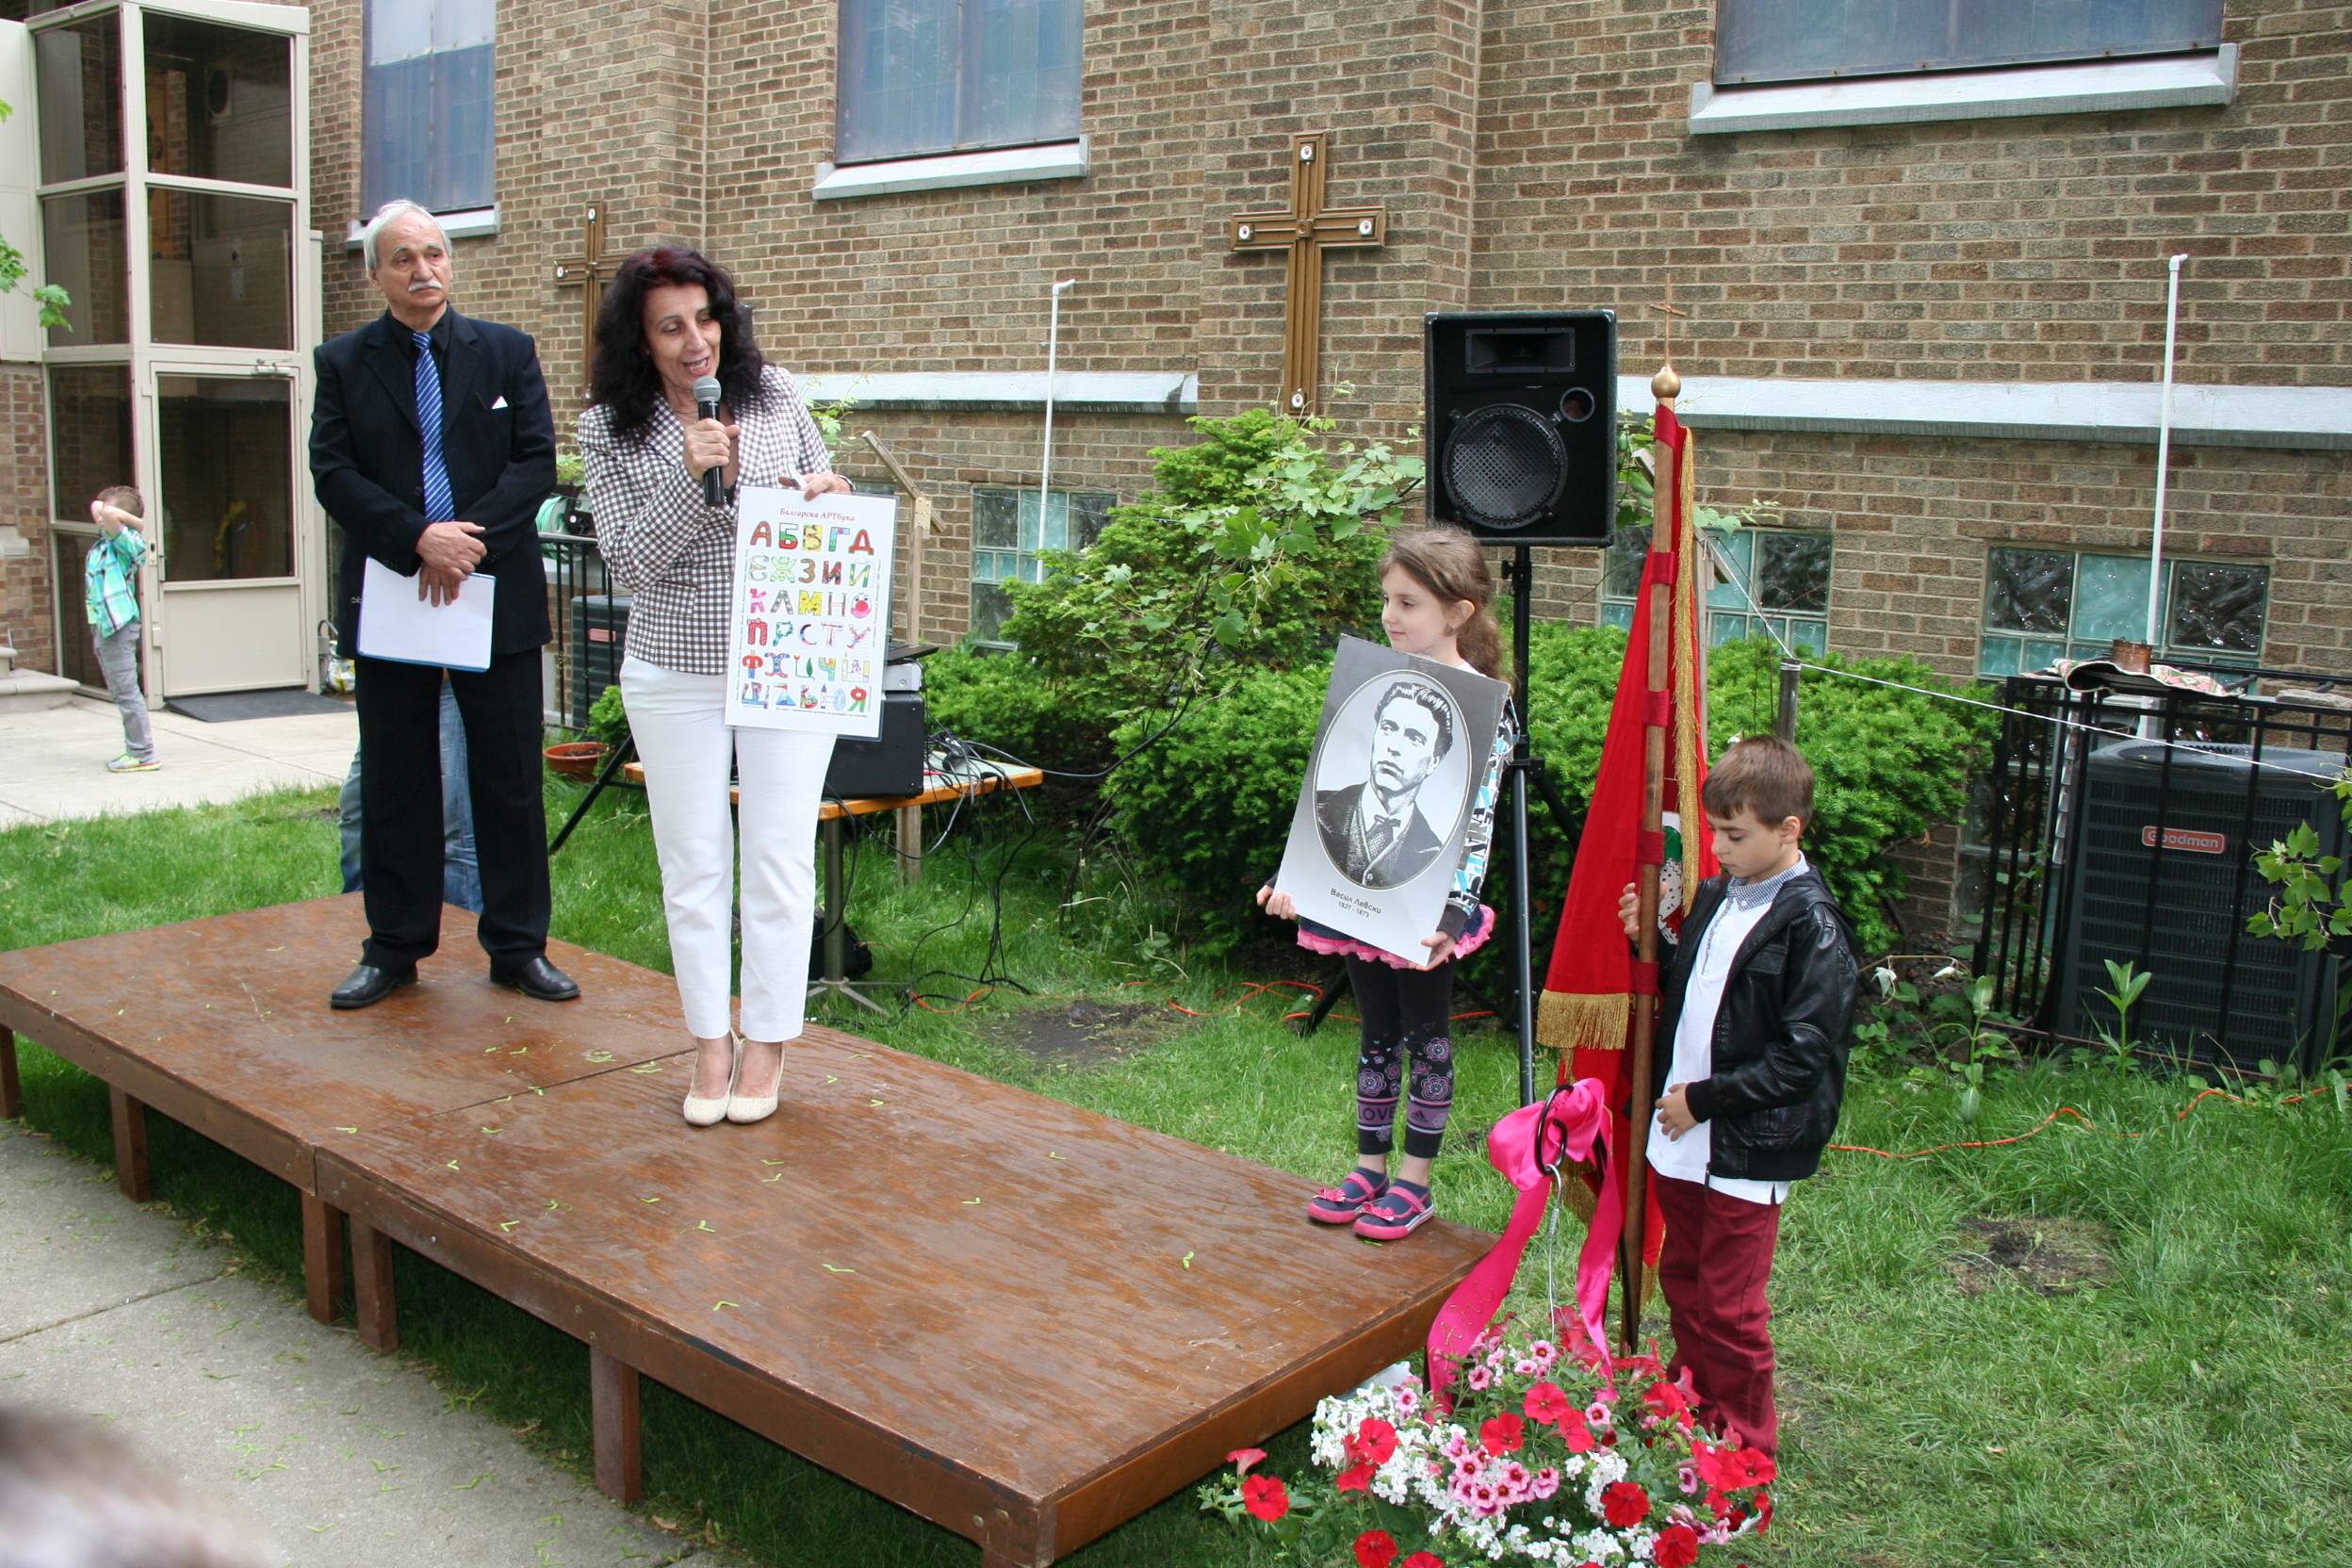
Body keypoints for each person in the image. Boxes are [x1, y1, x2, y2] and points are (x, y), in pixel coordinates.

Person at [580, 247, 847, 1128]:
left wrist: (825, 491)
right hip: (673, 665)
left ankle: (767, 1041)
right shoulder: (608, 429)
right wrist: (690, 476)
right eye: (671, 327)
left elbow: (829, 487)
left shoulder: (774, 395)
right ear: (641, 342)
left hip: (786, 657)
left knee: (778, 856)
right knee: (693, 864)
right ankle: (709, 1042)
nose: (696, 341)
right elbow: (629, 562)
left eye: (705, 318)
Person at [309, 199, 577, 1011]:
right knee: (397, 780)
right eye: (403, 258)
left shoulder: (507, 352)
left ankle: (519, 948)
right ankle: (394, 948)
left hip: (493, 595)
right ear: (375, 275)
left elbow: (535, 461)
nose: (423, 270)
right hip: (396, 594)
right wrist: (417, 538)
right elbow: (333, 472)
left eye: (434, 254)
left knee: (508, 780)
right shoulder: (343, 363)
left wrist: (465, 543)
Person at [1259, 526, 1517, 1240]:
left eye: (1408, 603)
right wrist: (1292, 877)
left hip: (1427, 911)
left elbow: (1479, 820)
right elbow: (1325, 798)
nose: (1390, 615)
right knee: (1376, 1033)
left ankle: (1415, 1182)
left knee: (1426, 1038)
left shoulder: (1485, 705)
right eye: (1386, 600)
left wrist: (1457, 913)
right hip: (1359, 902)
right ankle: (1369, 1168)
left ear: (1458, 613)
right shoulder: (1376, 681)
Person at [1616, 734, 1859, 1459]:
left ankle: (1745, 1453)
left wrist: (1705, 1099)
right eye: (1716, 831)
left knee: (1730, 1306)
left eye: (1734, 834)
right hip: (1685, 1135)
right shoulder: (1719, 896)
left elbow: (1803, 1059)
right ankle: (1691, 1410)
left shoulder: (1814, 926)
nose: (1718, 848)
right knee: (1685, 1282)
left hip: (1746, 1146)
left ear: (1790, 830)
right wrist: (1648, 943)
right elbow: (1692, 996)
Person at [335, 674, 482, 913]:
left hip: (446, 681)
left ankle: (460, 927)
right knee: (357, 810)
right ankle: (359, 914)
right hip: (391, 680)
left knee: (453, 827)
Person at [1314, 678, 1453, 889]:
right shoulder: (1317, 806)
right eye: (1388, 728)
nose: (1394, 747)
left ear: (1434, 761)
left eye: (1414, 738)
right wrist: (1279, 882)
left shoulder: (1434, 854)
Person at [84, 486, 159, 775]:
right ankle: (137, 750)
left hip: (118, 627)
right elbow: (97, 506)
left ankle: (143, 753)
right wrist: (110, 510)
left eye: (108, 511)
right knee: (120, 691)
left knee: (127, 692)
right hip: (105, 626)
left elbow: (107, 513)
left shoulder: (126, 541)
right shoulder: (107, 539)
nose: (100, 515)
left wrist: (136, 522)